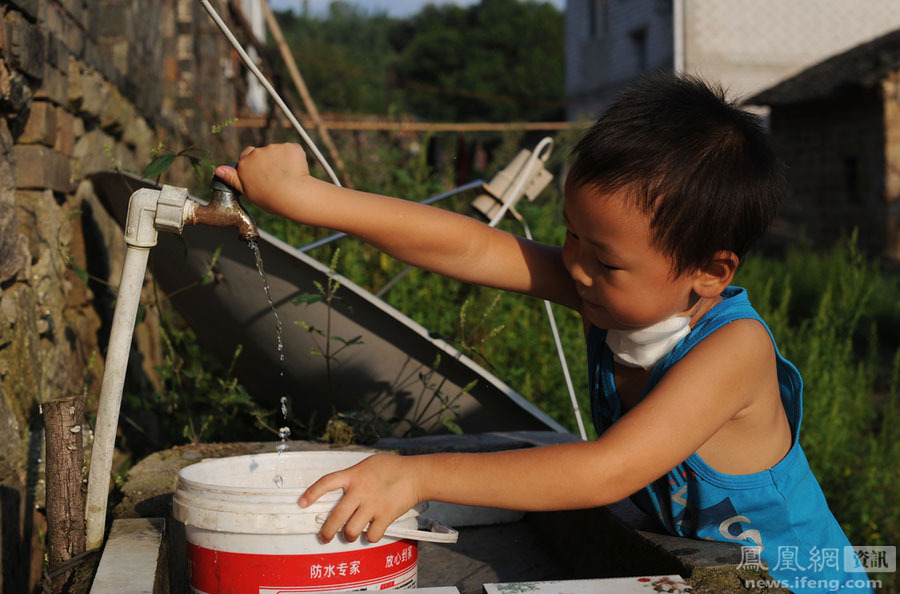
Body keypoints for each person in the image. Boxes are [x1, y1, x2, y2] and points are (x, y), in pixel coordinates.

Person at [215, 73, 870, 594]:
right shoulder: (615, 294)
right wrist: (310, 201)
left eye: (605, 258)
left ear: (709, 272)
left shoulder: (733, 351)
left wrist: (412, 477)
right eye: (572, 235)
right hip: (701, 571)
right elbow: (474, 249)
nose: (576, 267)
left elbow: (605, 472)